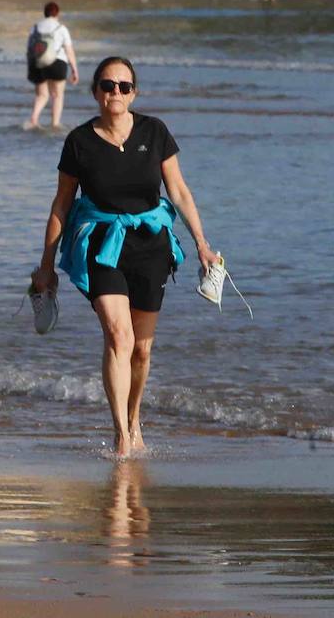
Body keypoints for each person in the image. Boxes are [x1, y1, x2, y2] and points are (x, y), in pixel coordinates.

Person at [30, 56, 217, 459]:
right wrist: (46, 265)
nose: (116, 92)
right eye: (108, 85)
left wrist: (201, 243)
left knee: (142, 349)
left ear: (135, 92)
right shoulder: (79, 141)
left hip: (151, 245)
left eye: (124, 86)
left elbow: (179, 191)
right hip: (101, 243)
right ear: (96, 91)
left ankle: (134, 419)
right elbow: (62, 204)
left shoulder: (155, 131)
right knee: (119, 336)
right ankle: (119, 434)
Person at [25, 2, 79, 130]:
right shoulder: (61, 28)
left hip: (38, 63)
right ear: (57, 13)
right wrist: (74, 70)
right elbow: (69, 50)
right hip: (57, 63)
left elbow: (29, 49)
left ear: (45, 13)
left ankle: (34, 118)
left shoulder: (35, 27)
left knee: (41, 95)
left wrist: (30, 67)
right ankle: (54, 123)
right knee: (57, 95)